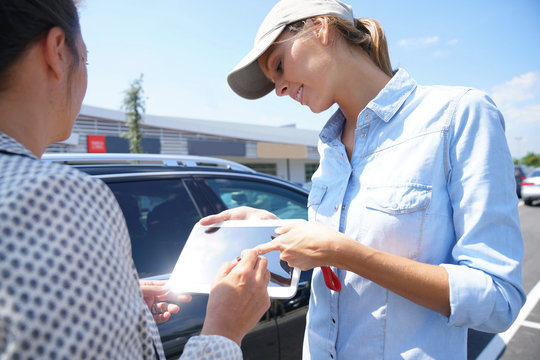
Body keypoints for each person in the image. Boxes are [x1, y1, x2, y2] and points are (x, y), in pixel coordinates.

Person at [201, 0, 526, 358]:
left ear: (321, 28)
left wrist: (343, 253)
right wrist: (275, 229)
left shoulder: (458, 115)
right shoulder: (330, 147)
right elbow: (337, 240)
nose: (279, 89)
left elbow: (498, 298)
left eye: (278, 66)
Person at [0, 1, 269, 359]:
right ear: (57, 52)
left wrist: (114, 301)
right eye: (87, 57)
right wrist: (225, 329)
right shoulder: (55, 196)